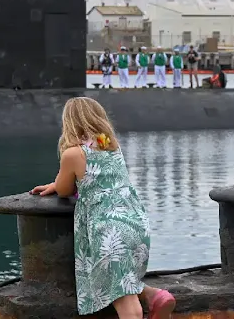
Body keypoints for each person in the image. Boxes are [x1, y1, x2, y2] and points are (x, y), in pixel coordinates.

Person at [29, 97, 176, 319]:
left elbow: (64, 190)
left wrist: (55, 184)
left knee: (126, 303)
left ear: (69, 122)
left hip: (107, 229)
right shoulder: (111, 145)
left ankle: (150, 299)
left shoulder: (73, 153)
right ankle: (156, 296)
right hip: (135, 222)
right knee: (123, 279)